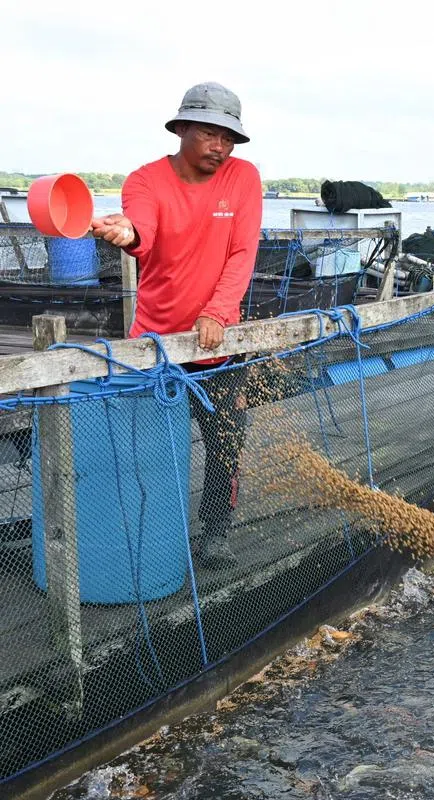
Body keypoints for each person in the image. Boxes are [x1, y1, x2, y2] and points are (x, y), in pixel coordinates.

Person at [92, 82, 262, 568]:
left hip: (218, 342)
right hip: (154, 343)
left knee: (226, 443)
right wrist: (127, 232)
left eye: (229, 138)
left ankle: (215, 532)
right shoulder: (144, 181)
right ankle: (146, 533)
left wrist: (216, 311)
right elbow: (140, 230)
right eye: (209, 133)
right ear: (182, 128)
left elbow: (242, 252)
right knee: (144, 449)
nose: (220, 147)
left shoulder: (242, 178)